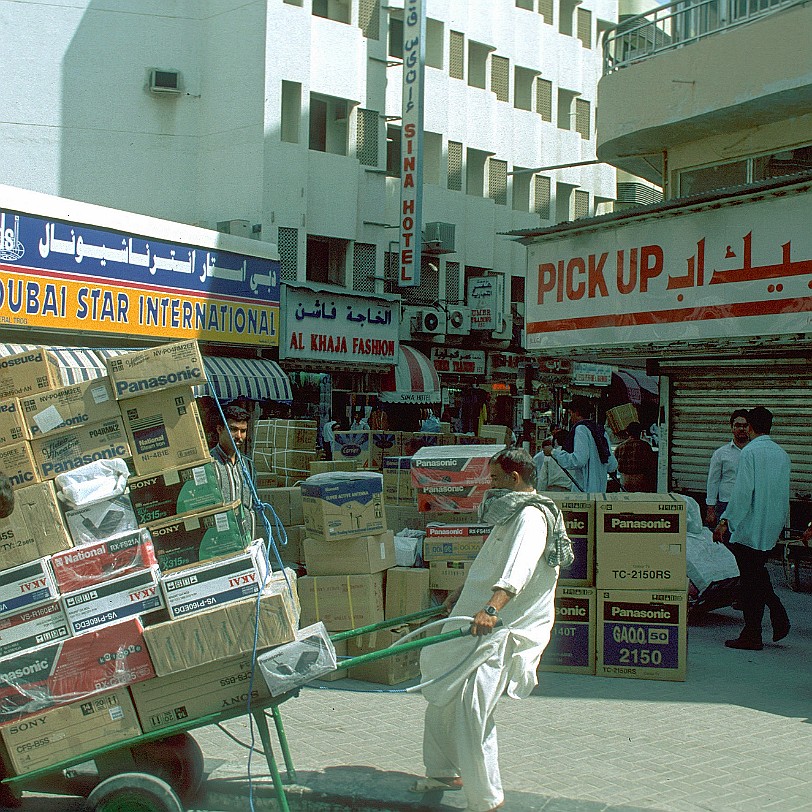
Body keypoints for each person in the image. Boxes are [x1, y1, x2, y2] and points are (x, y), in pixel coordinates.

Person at [413, 448, 572, 812]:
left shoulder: (531, 517)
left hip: (503, 625)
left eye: (496, 478)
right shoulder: (509, 510)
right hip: (477, 616)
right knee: (442, 691)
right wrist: (461, 591)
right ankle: (441, 771)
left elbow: (519, 569)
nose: (491, 484)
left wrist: (490, 608)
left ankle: (486, 798)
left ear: (515, 477)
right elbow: (490, 560)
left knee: (472, 707)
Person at [713, 406, 791, 650]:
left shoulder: (750, 453)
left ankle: (754, 633)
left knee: (750, 580)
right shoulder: (782, 454)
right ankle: (775, 617)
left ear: (751, 427)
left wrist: (726, 521)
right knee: (756, 573)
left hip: (749, 525)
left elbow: (743, 493)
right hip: (771, 525)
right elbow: (783, 493)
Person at [545, 395, 617, 493]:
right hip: (601, 491)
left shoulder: (581, 429)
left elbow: (578, 460)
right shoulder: (600, 430)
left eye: (571, 413)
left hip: (584, 491)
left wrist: (553, 452)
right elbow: (612, 464)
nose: (571, 418)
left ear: (577, 412)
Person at [210, 403, 257, 541]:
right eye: (233, 429)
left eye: (243, 431)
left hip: (248, 541)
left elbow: (252, 505)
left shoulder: (248, 465)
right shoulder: (210, 464)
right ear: (220, 429)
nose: (239, 436)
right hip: (222, 544)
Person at [705, 409, 750, 527]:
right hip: (726, 504)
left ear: (750, 428)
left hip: (750, 505)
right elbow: (713, 481)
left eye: (745, 425)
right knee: (726, 543)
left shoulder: (756, 452)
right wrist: (710, 509)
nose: (742, 429)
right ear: (732, 428)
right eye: (738, 425)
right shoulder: (720, 453)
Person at [615, 421, 657, 492]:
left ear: (627, 432)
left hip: (625, 480)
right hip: (641, 480)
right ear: (640, 432)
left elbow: (614, 466)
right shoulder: (645, 446)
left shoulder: (619, 447)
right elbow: (651, 466)